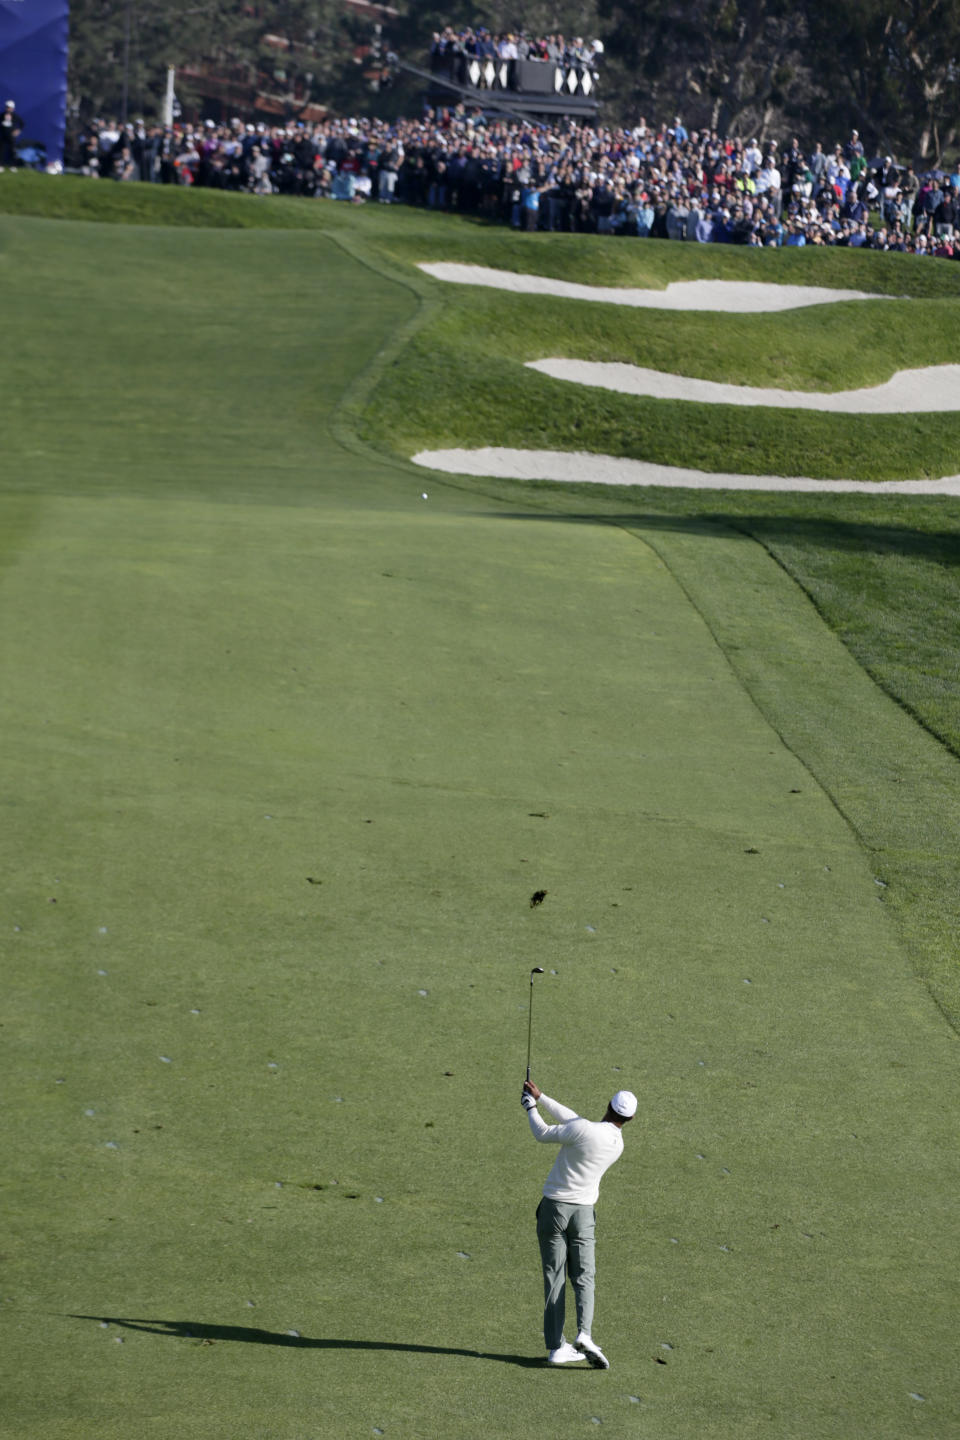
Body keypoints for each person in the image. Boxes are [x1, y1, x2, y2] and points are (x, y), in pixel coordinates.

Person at [521, 1078, 636, 1367]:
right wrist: (542, 1096)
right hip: (584, 1214)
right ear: (630, 1119)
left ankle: (556, 1347)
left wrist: (530, 1107)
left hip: (554, 1209)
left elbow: (544, 1132)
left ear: (608, 1106)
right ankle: (584, 1333)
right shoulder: (617, 1144)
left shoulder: (584, 1130)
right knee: (584, 1275)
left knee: (555, 1276)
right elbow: (575, 1120)